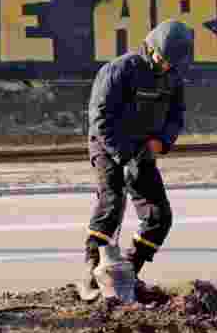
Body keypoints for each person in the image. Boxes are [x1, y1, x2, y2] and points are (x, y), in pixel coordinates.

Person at [78, 19, 194, 301]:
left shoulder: (173, 77)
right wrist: (124, 156)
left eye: (171, 63)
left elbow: (176, 117)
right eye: (162, 59)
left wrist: (163, 141)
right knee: (112, 203)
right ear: (151, 46)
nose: (165, 66)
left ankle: (127, 273)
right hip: (108, 146)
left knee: (159, 217)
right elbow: (101, 119)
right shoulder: (118, 70)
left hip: (142, 148)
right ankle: (91, 275)